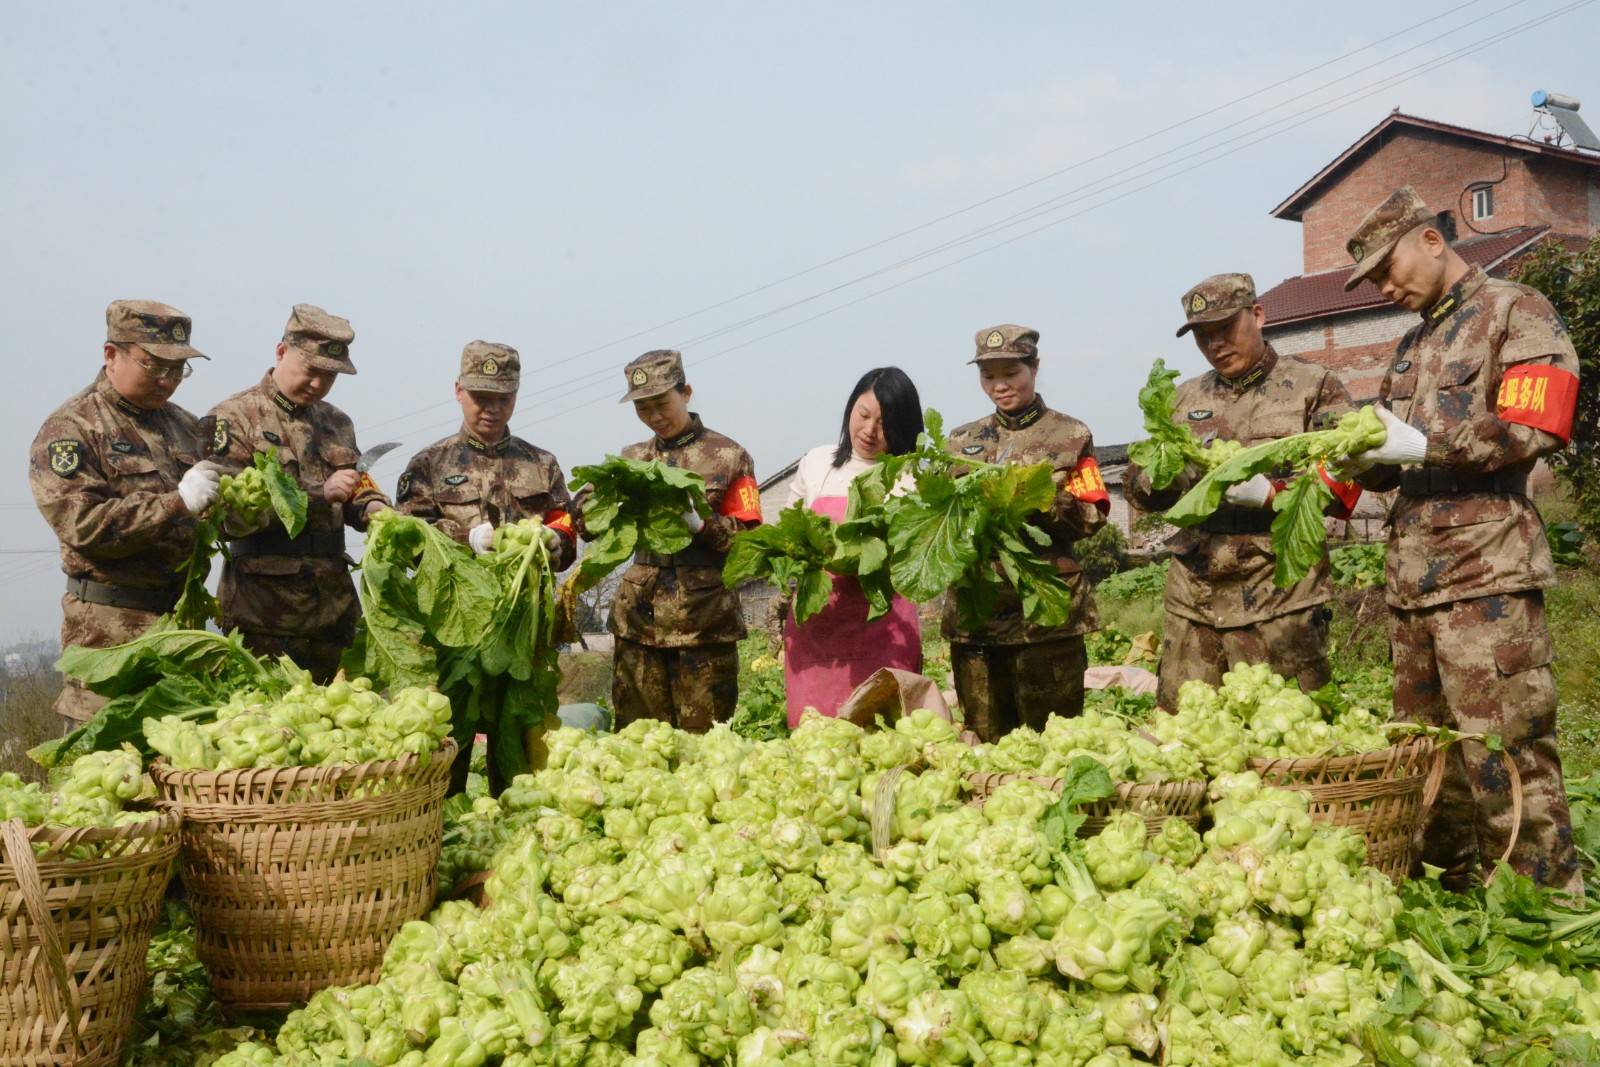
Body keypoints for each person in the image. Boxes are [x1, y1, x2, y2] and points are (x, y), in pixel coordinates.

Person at [1342, 186, 1582, 893]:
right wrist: (1370, 461)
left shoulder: (1517, 310)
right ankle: (1454, 894)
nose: (1385, 288)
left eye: (1388, 269)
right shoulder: (1411, 345)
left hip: (1488, 582)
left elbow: (1534, 426)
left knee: (1506, 752)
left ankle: (1542, 908)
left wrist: (1423, 443)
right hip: (1413, 585)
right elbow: (1395, 462)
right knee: (1428, 760)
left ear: (1430, 239)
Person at [1124, 273, 1360, 711]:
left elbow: (1345, 479)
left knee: (1285, 732)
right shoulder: (1182, 398)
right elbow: (1139, 487)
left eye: (1225, 329)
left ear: (1257, 315)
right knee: (1186, 730)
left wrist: (1274, 495)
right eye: (1202, 336)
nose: (1215, 344)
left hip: (1278, 595)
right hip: (1194, 598)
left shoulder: (1314, 385)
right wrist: (1160, 480)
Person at [396, 340, 576, 794]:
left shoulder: (542, 464)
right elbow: (407, 539)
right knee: (445, 754)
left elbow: (566, 525)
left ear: (516, 395)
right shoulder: (428, 465)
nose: (491, 409)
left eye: (503, 398)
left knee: (519, 758)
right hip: (455, 638)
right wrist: (465, 538)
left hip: (523, 638)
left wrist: (558, 543)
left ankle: (517, 844)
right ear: (458, 391)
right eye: (481, 398)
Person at [30, 300, 216, 730]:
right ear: (111, 354)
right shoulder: (72, 429)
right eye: (154, 365)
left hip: (180, 631)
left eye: (178, 369)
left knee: (183, 776)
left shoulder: (187, 427)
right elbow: (83, 525)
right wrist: (176, 502)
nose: (167, 380)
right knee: (106, 779)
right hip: (109, 641)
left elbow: (212, 514)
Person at [206, 304, 392, 683]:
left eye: (330, 377)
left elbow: (356, 483)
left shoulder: (337, 422)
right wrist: (314, 496)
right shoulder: (233, 418)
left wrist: (374, 507)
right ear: (280, 352)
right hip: (264, 613)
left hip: (332, 610)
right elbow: (224, 516)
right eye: (312, 372)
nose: (319, 385)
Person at [944, 324, 1110, 741]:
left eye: (1010, 373)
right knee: (983, 743)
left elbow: (1094, 514)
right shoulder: (959, 441)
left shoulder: (1071, 435)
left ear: (1035, 367)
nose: (1000, 386)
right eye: (988, 376)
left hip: (1047, 619)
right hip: (978, 618)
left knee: (1054, 739)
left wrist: (1043, 501)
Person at [586, 349, 762, 731]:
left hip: (704, 625)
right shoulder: (630, 460)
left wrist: (704, 527)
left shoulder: (729, 456)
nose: (654, 417)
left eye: (662, 404)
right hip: (639, 623)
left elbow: (751, 542)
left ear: (686, 392)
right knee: (637, 743)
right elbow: (590, 523)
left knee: (706, 747)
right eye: (642, 409)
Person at [781, 367, 924, 725]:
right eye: (863, 414)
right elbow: (788, 529)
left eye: (885, 423)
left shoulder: (911, 477)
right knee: (816, 739)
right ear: (850, 408)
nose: (869, 431)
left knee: (885, 737)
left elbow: (913, 556)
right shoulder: (816, 462)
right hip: (817, 626)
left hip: (883, 626)